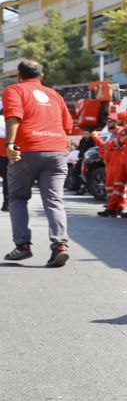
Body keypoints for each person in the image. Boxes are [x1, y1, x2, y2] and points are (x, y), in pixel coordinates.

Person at [3, 59, 74, 266]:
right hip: (57, 150)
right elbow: (67, 126)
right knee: (54, 200)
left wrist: (10, 144)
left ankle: (22, 246)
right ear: (41, 77)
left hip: (28, 149)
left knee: (17, 197)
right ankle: (60, 245)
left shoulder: (14, 90)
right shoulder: (55, 95)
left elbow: (13, 116)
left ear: (19, 76)